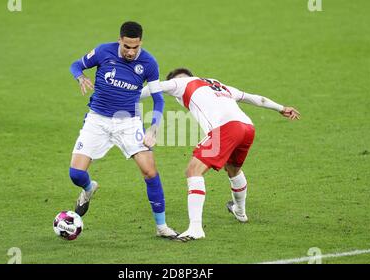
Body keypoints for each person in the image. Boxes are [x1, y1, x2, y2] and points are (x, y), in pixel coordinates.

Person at [141, 68, 300, 241]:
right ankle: (240, 211)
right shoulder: (219, 85)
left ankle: (195, 229)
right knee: (233, 169)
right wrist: (281, 108)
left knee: (193, 171)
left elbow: (152, 88)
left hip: (226, 129)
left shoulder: (180, 83)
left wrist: (124, 96)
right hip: (247, 127)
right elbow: (255, 98)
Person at [68, 21, 178, 239]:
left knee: (150, 171)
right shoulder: (103, 51)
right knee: (76, 174)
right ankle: (89, 188)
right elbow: (75, 65)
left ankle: (161, 226)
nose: (130, 51)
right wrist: (80, 76)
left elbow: (158, 100)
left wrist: (153, 128)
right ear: (120, 40)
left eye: (134, 47)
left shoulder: (149, 63)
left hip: (129, 123)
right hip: (97, 119)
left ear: (140, 43)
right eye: (126, 46)